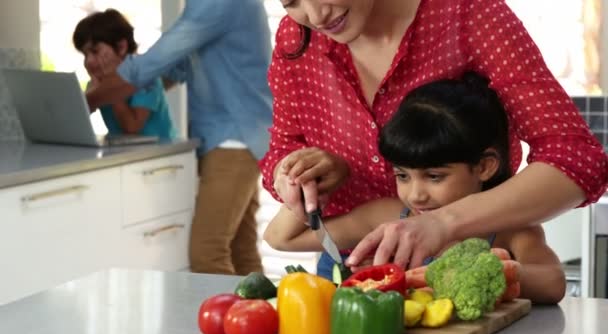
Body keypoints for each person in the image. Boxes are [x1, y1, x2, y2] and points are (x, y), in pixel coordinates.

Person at [260, 0, 608, 271]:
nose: (316, 15)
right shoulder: (297, 38)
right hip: (350, 268)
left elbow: (575, 159)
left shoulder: (467, 15)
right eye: (291, 1)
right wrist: (296, 172)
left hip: (462, 259)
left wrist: (443, 224)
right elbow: (283, 150)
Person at [264, 72, 566, 304]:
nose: (416, 194)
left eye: (434, 176)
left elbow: (553, 282)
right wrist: (310, 181)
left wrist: (493, 272)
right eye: (403, 176)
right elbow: (281, 239)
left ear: (485, 166)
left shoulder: (509, 229)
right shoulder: (391, 216)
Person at [85, 0, 273, 275]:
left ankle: (226, 319)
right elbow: (176, 67)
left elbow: (150, 66)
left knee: (207, 253)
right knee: (240, 251)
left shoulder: (217, 3)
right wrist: (129, 88)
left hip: (233, 140)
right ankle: (262, 316)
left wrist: (86, 102)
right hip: (234, 138)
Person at [73, 9, 175, 139]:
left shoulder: (146, 77)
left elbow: (132, 128)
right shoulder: (97, 82)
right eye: (85, 55)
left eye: (95, 51)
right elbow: (76, 119)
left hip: (162, 153)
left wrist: (108, 90)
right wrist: (92, 93)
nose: (89, 61)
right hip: (125, 152)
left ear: (121, 47)